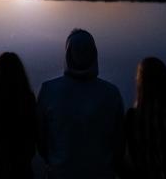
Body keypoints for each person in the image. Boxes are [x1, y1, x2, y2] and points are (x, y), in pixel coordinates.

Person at [37, 28, 125, 179]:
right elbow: (119, 144)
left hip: (59, 173)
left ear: (67, 55)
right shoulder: (112, 93)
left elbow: (41, 142)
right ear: (94, 55)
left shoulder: (48, 90)